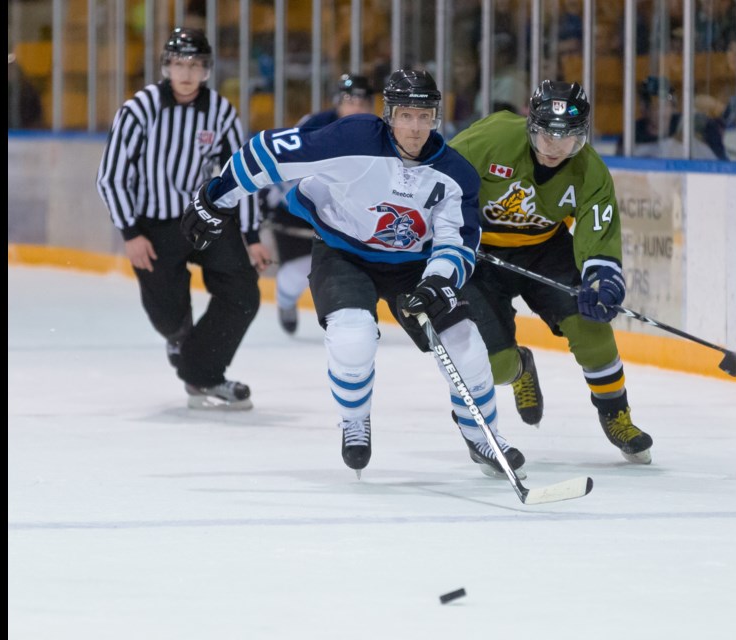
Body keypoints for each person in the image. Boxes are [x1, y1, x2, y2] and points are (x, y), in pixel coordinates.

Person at [179, 69, 527, 479]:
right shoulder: (353, 138)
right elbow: (269, 152)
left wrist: (439, 280)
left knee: (464, 342)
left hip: (414, 265)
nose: (414, 128)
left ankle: (482, 435)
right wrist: (218, 197)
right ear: (389, 114)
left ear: (435, 117)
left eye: (424, 116)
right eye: (405, 115)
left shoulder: (455, 174)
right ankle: (355, 420)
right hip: (343, 253)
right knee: (352, 337)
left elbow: (459, 239)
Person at [448, 80, 653, 464]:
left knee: (592, 326)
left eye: (568, 137)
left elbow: (597, 231)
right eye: (547, 135)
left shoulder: (589, 170)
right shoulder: (491, 139)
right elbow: (439, 180)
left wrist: (601, 277)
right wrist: (453, 236)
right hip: (478, 257)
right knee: (493, 364)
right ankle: (520, 367)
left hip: (545, 248)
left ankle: (615, 414)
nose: (556, 147)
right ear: (531, 126)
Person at [96, 27, 272, 410]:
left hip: (205, 219)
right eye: (179, 63)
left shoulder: (220, 112)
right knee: (168, 317)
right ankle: (181, 338)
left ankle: (203, 373)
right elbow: (111, 177)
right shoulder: (139, 109)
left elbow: (238, 176)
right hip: (153, 226)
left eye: (195, 65)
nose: (187, 73)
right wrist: (130, 232)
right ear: (166, 67)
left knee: (243, 293)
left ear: (207, 69)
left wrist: (252, 234)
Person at [258, 73, 375, 335]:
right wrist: (270, 200)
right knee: (299, 271)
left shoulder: (378, 131)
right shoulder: (315, 125)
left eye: (362, 101)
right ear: (337, 102)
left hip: (345, 212)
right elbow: (287, 163)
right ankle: (286, 300)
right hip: (297, 209)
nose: (356, 107)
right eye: (349, 100)